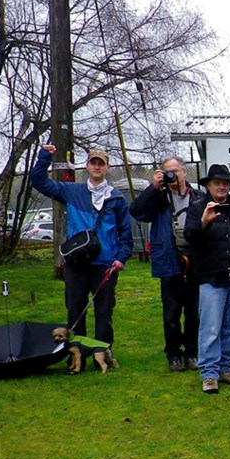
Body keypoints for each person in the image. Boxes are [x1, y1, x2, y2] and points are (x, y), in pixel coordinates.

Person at [30, 145, 133, 348]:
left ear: (107, 168)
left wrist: (121, 258)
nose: (96, 167)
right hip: (76, 264)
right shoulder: (72, 191)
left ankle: (103, 354)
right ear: (86, 166)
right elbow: (39, 181)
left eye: (100, 164)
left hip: (106, 265)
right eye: (93, 163)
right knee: (75, 310)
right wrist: (44, 157)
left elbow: (126, 234)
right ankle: (76, 356)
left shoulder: (117, 198)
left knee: (104, 312)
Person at [183, 164, 230, 394]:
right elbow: (189, 236)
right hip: (212, 278)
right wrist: (204, 222)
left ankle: (226, 368)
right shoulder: (197, 208)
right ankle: (209, 374)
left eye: (225, 183)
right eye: (217, 183)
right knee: (211, 328)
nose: (222, 186)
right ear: (208, 186)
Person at [129, 156, 200, 372]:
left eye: (176, 171)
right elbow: (136, 211)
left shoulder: (198, 197)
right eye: (168, 171)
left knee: (194, 312)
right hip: (169, 259)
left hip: (194, 261)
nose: (173, 175)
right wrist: (153, 188)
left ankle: (192, 353)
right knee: (171, 312)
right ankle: (173, 354)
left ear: (185, 172)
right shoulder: (159, 198)